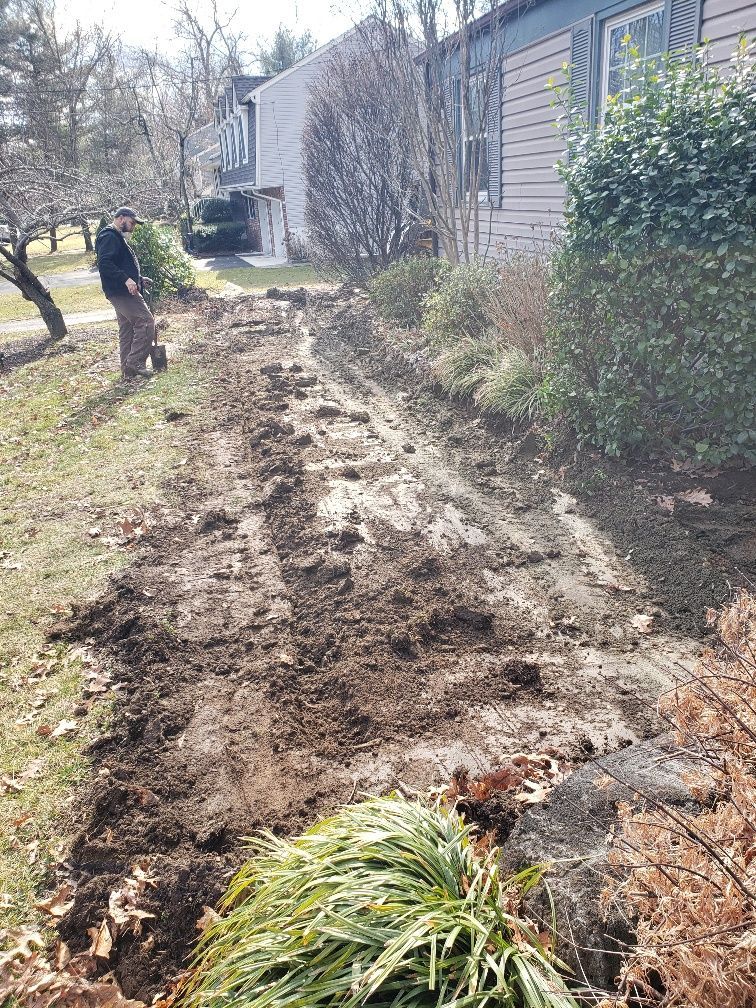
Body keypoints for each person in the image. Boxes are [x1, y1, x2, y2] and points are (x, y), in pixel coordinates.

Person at [95, 208, 155, 379]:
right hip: (122, 292)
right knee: (145, 322)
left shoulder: (115, 237)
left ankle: (127, 372)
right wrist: (126, 280)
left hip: (121, 289)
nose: (133, 226)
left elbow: (118, 264)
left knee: (127, 329)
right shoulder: (109, 236)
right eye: (132, 222)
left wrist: (137, 278)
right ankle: (135, 362)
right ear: (121, 218)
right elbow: (105, 264)